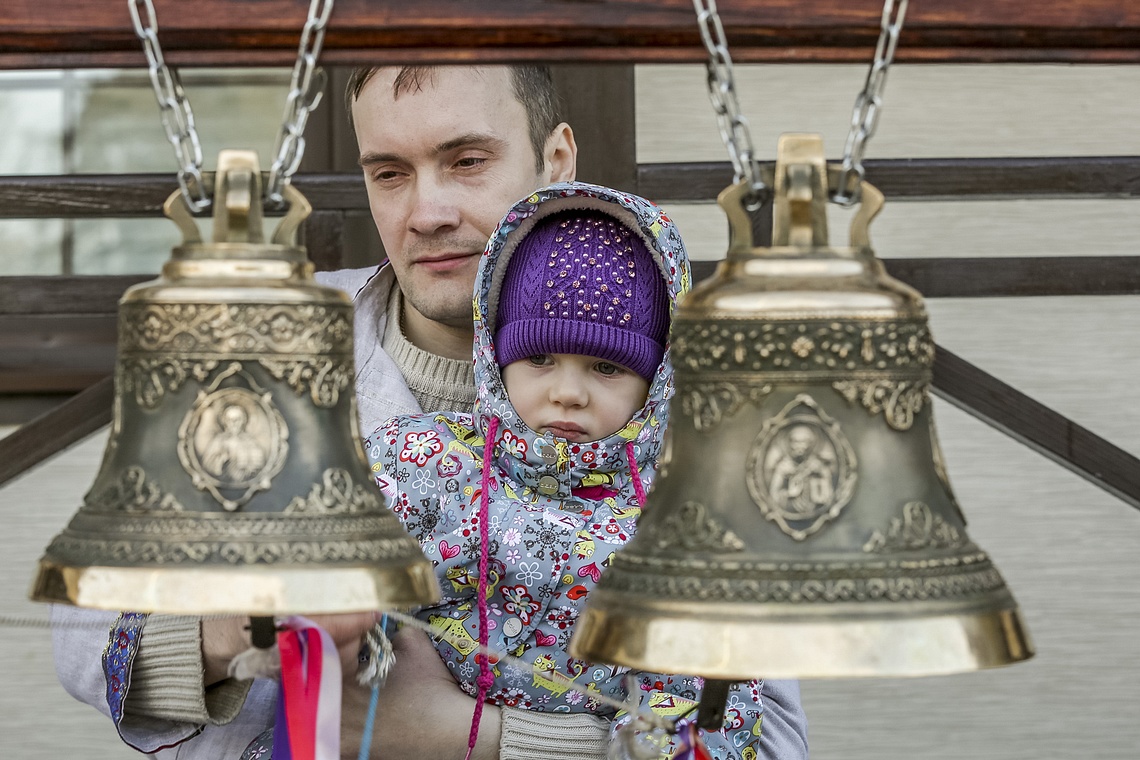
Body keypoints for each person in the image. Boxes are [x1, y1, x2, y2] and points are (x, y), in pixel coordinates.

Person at [48, 65, 807, 759]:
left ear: (555, 162)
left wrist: (466, 739)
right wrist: (235, 627)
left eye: (467, 161)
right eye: (389, 173)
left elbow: (766, 741)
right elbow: (84, 630)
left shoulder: (679, 423)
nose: (427, 211)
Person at [364, 182, 807, 759]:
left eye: (605, 366)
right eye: (539, 358)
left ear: (657, 381)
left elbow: (710, 717)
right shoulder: (430, 463)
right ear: (495, 356)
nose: (567, 393)